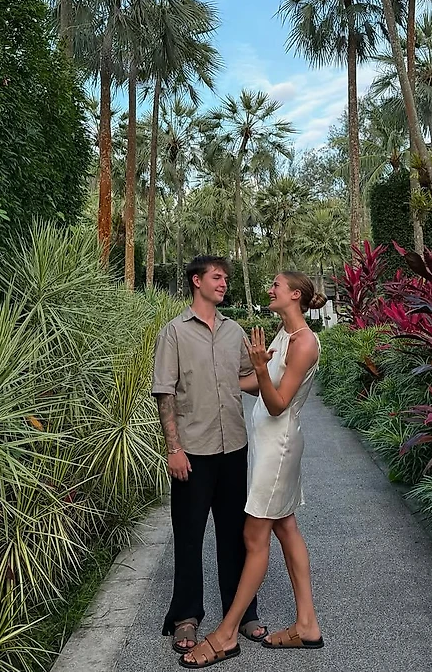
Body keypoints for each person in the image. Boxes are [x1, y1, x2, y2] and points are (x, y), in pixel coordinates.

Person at [180, 272, 326, 669]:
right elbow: (259, 385)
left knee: (253, 536)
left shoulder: (305, 342)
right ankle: (307, 624)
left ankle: (226, 634)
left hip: (279, 450)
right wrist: (222, 376)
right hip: (268, 448)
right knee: (286, 528)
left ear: (294, 295)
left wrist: (260, 367)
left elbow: (278, 403)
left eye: (276, 285)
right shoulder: (284, 335)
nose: (270, 289)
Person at [152, 256, 267, 655]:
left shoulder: (234, 331)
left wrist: (261, 369)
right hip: (193, 453)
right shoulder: (174, 333)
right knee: (189, 536)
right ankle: (186, 616)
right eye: (217, 277)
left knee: (235, 536)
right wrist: (173, 448)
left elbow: (249, 380)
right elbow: (165, 392)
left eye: (226, 278)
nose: (223, 283)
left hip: (233, 447)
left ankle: (242, 612)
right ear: (196, 281)